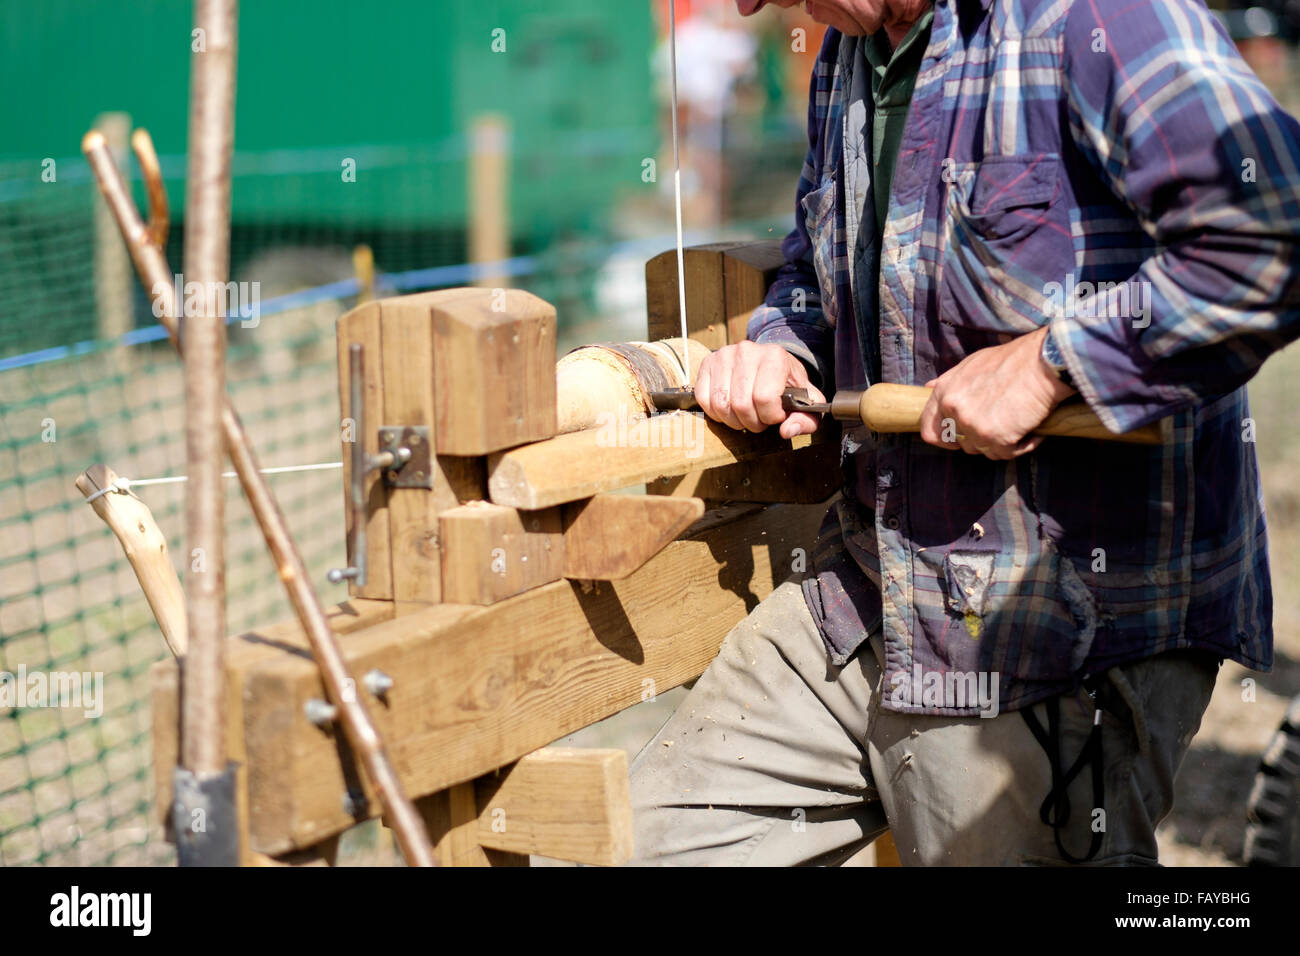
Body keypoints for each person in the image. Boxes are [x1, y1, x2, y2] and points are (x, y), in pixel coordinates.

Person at [628, 0, 1300, 865]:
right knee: (642, 847)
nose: (766, 7)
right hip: (863, 598)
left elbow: (1270, 233)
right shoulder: (850, 52)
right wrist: (781, 344)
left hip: (1057, 636)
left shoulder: (1099, 18)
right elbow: (812, 259)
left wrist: (1052, 365)